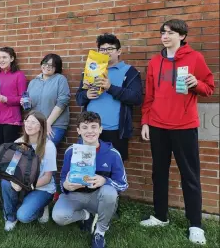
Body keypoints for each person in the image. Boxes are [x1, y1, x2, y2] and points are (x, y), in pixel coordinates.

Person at [140, 19, 214, 245]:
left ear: (182, 36)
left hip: (184, 127)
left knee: (190, 176)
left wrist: (196, 84)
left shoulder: (195, 58)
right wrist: (145, 121)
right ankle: (160, 216)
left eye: (170, 33)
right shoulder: (155, 61)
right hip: (158, 126)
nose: (165, 36)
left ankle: (195, 225)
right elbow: (149, 95)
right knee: (159, 173)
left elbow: (209, 88)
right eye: (163, 32)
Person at [52, 111, 128, 248]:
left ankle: (100, 232)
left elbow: (123, 184)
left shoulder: (112, 154)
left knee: (109, 192)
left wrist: (105, 181)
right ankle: (86, 216)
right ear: (78, 131)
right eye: (85, 127)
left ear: (100, 129)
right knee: (59, 216)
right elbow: (63, 177)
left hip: (98, 198)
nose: (89, 131)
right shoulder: (71, 151)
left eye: (93, 127)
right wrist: (66, 185)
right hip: (75, 195)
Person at [75, 33, 142, 162]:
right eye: (102, 49)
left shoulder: (129, 71)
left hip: (115, 131)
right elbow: (79, 98)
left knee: (112, 170)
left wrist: (111, 88)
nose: (106, 52)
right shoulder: (91, 70)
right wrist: (86, 95)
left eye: (110, 49)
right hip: (89, 130)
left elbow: (136, 98)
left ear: (119, 51)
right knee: (86, 168)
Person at [1, 111, 57, 231]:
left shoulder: (49, 146)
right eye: (27, 121)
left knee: (24, 216)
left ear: (41, 127)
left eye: (33, 122)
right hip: (23, 184)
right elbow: (11, 169)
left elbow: (47, 178)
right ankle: (11, 217)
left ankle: (41, 208)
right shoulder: (19, 143)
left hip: (42, 187)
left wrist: (26, 185)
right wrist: (13, 181)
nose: (29, 125)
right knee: (5, 182)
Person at [21, 53, 71, 146]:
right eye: (45, 63)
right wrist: (25, 103)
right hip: (36, 124)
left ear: (57, 68)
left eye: (51, 65)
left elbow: (62, 102)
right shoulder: (33, 82)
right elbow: (29, 106)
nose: (47, 67)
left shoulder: (60, 79)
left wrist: (47, 123)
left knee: (45, 149)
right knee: (32, 153)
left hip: (54, 125)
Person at [0, 47, 27, 149]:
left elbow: (23, 98)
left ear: (12, 59)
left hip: (11, 119)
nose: (1, 60)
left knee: (9, 150)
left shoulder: (19, 75)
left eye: (4, 57)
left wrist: (6, 99)